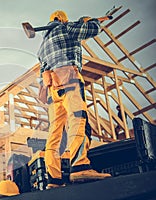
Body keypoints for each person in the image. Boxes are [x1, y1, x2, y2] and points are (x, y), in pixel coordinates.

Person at [37, 10, 111, 188]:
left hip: (52, 90)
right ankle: (80, 166)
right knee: (77, 120)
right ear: (63, 19)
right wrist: (90, 21)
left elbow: (42, 73)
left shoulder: (43, 45)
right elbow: (92, 30)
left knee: (55, 133)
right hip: (69, 80)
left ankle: (53, 179)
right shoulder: (66, 29)